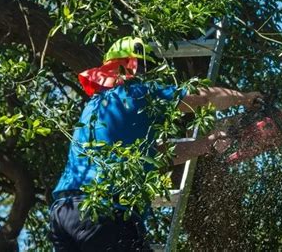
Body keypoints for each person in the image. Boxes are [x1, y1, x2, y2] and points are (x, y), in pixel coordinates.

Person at [49, 37, 262, 251]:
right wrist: (243, 98)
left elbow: (158, 154)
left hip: (63, 212)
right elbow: (201, 99)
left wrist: (205, 144)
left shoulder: (94, 107)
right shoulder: (137, 93)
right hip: (104, 211)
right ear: (128, 65)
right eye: (142, 66)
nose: (145, 73)